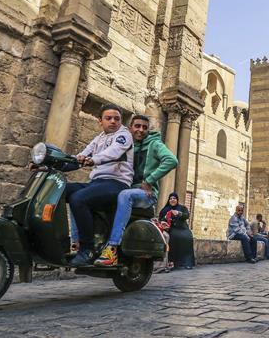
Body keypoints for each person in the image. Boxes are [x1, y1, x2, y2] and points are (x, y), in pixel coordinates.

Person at [95, 115, 178, 267]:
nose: (141, 130)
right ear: (130, 128)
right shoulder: (126, 143)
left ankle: (112, 248)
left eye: (144, 127)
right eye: (137, 126)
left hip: (145, 194)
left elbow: (171, 160)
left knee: (125, 195)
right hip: (125, 189)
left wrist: (149, 180)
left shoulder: (155, 144)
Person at [65, 104, 134, 266]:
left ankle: (87, 249)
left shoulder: (123, 135)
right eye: (108, 118)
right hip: (96, 183)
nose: (113, 121)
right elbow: (80, 157)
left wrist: (93, 160)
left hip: (117, 183)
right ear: (100, 121)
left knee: (78, 198)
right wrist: (46, 164)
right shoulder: (98, 139)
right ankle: (68, 240)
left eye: (116, 118)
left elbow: (114, 152)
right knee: (61, 190)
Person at [159, 192, 195, 269]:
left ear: (177, 200)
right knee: (173, 237)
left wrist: (179, 213)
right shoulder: (165, 209)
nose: (172, 200)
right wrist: (163, 221)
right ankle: (171, 261)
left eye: (174, 198)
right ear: (168, 200)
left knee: (188, 237)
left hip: (183, 228)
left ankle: (187, 262)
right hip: (171, 229)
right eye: (171, 198)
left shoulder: (182, 208)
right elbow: (160, 219)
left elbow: (187, 215)